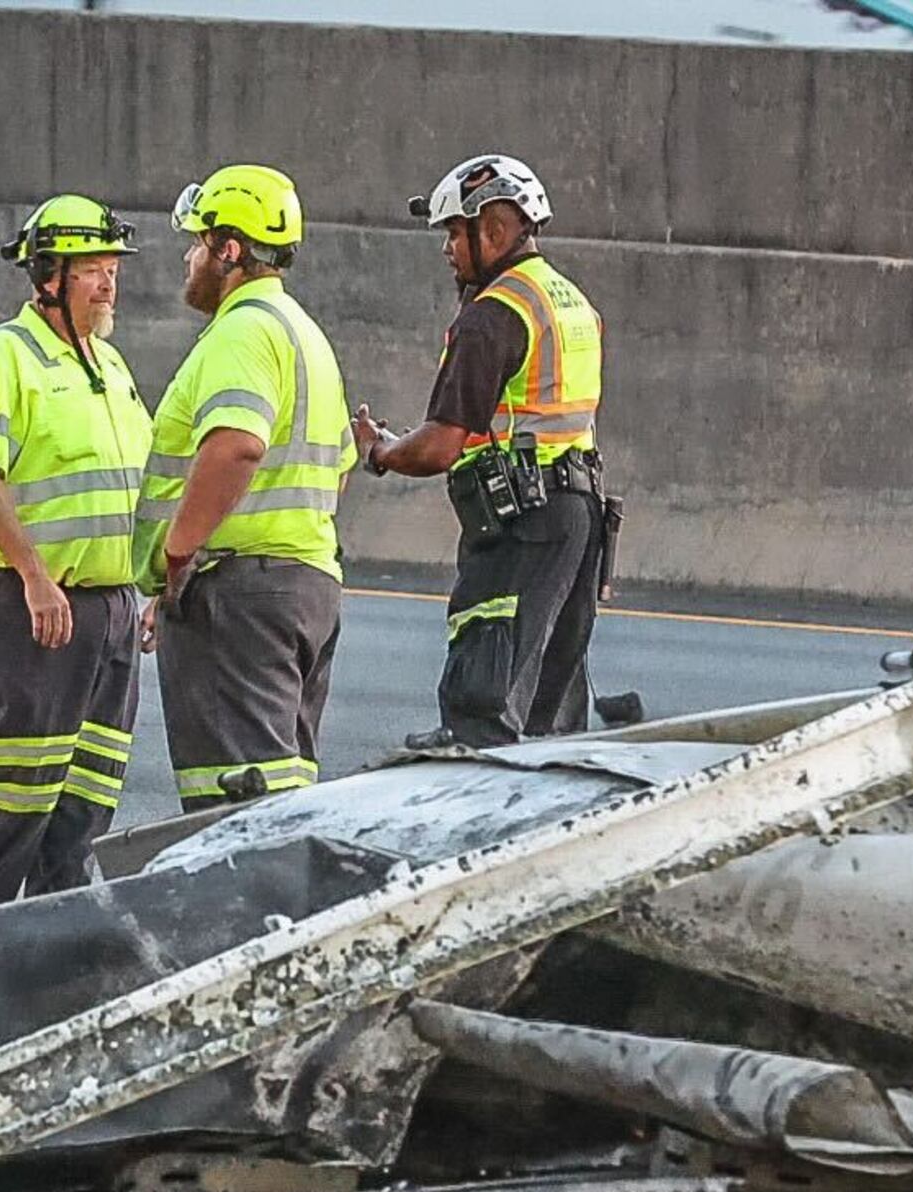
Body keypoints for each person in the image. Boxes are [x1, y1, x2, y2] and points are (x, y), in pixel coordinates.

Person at [0, 197, 152, 912]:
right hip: (36, 608)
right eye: (92, 269)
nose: (108, 283)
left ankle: (53, 942)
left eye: (112, 267)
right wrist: (33, 576)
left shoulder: (111, 364)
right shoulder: (0, 357)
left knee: (85, 805)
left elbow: (138, 482)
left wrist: (152, 585)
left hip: (111, 611)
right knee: (11, 801)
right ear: (49, 276)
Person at [352, 153, 608, 749]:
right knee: (548, 710)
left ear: (492, 228)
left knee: (484, 695)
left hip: (523, 521)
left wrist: (382, 451)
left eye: (453, 232)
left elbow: (440, 446)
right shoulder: (570, 300)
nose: (448, 249)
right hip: (577, 515)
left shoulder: (491, 317)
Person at [135, 165, 350, 811]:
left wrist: (178, 557)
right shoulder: (304, 333)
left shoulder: (242, 331)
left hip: (240, 594)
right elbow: (338, 465)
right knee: (281, 795)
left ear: (228, 249)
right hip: (304, 584)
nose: (189, 258)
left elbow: (237, 445)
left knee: (232, 805)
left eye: (198, 243)